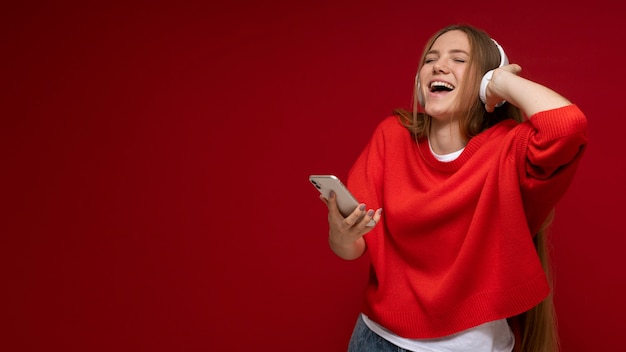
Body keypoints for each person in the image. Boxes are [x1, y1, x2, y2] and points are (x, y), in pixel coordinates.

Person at [319, 24, 588, 352]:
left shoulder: (508, 149)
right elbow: (353, 247)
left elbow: (568, 127)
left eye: (458, 59)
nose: (439, 65)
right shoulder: (390, 138)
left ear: (484, 82)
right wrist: (341, 235)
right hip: (376, 339)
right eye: (430, 59)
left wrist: (502, 81)